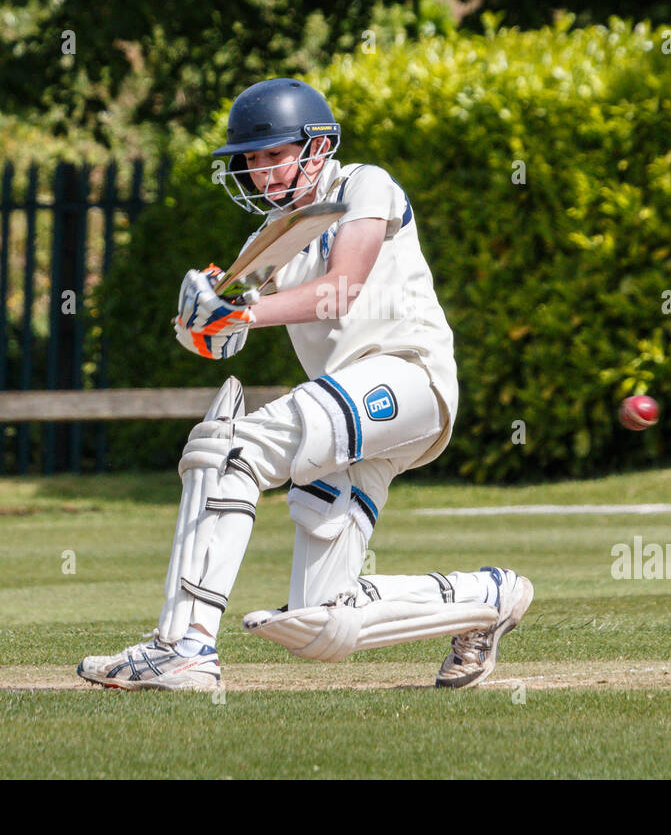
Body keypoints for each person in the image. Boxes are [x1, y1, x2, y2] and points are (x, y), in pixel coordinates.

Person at [77, 77, 532, 691]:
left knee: (233, 449)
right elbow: (221, 329)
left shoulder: (363, 185)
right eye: (251, 161)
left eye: (274, 155)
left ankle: (184, 647)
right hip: (351, 410)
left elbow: (338, 290)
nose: (261, 173)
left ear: (316, 147)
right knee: (323, 623)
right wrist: (201, 322)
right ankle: (488, 597)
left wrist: (240, 313)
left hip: (407, 378)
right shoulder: (270, 238)